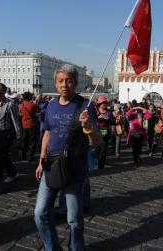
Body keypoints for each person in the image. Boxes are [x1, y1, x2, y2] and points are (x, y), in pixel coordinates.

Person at [34, 64, 102, 251]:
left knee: (74, 220)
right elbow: (47, 133)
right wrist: (41, 160)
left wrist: (87, 125)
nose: (65, 85)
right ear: (56, 84)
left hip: (74, 168)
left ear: (76, 83)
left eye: (69, 81)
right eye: (61, 81)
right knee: (40, 214)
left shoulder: (85, 106)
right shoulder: (52, 104)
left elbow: (97, 141)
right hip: (51, 165)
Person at [95, 96, 114, 169]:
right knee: (97, 149)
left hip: (105, 133)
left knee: (103, 150)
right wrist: (98, 118)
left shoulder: (109, 112)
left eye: (105, 103)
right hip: (96, 133)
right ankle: (97, 160)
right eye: (102, 103)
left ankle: (101, 165)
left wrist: (107, 120)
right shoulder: (95, 111)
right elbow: (91, 120)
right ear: (99, 104)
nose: (104, 104)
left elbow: (113, 122)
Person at [19, 92, 39, 162]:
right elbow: (38, 110)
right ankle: (30, 157)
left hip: (24, 125)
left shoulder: (21, 105)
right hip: (32, 125)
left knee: (25, 141)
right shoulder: (32, 105)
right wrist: (35, 102)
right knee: (33, 142)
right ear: (30, 97)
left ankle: (23, 155)